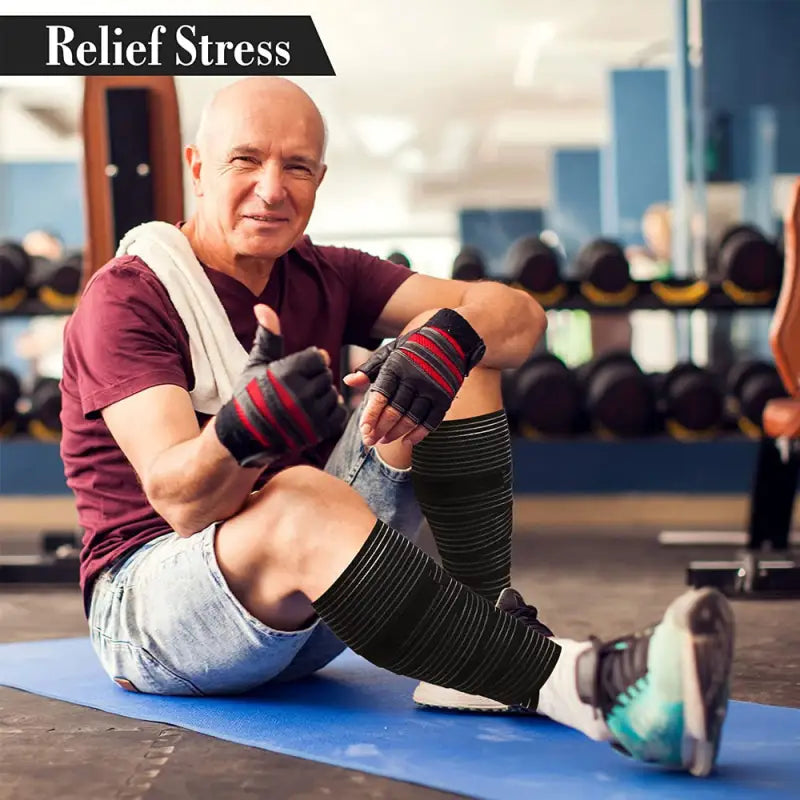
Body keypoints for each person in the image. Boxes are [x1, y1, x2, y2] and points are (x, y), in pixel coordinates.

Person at [59, 76, 734, 779]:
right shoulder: (129, 296)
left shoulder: (326, 273)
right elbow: (180, 500)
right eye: (245, 160)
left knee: (452, 344)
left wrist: (454, 338)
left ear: (320, 179)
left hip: (313, 605)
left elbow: (520, 317)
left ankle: (475, 643)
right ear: (198, 167)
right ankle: (595, 687)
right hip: (154, 617)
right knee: (298, 495)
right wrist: (239, 431)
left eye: (295, 167)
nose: (271, 188)